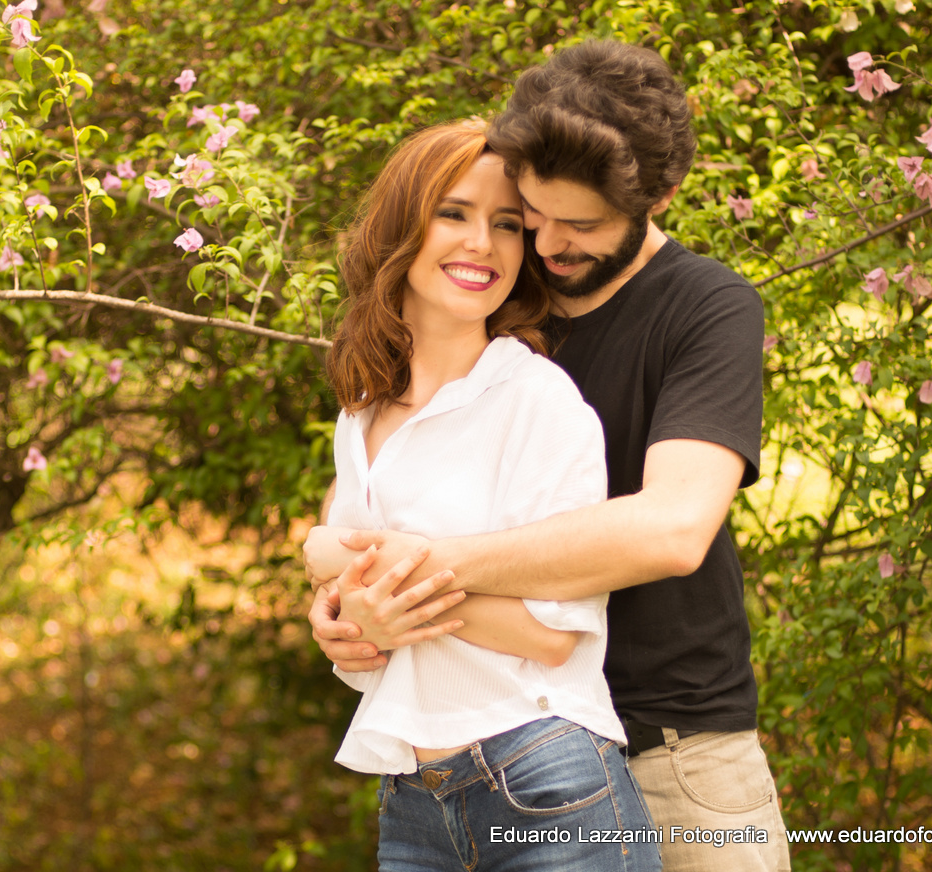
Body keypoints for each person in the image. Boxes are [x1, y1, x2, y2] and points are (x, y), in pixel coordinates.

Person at [305, 41, 792, 872]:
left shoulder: (706, 307)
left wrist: (416, 574)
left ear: (660, 196)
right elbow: (388, 481)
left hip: (674, 747)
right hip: (482, 746)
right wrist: (339, 596)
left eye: (583, 224)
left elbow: (672, 528)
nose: (549, 242)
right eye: (533, 213)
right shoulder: (498, 304)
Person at [319, 120, 662, 872]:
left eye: (507, 225)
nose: (483, 243)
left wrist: (381, 597)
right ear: (401, 224)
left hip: (547, 778)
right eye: (454, 213)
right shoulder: (362, 412)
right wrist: (348, 617)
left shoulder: (537, 402)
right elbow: (344, 589)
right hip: (413, 797)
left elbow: (551, 633)